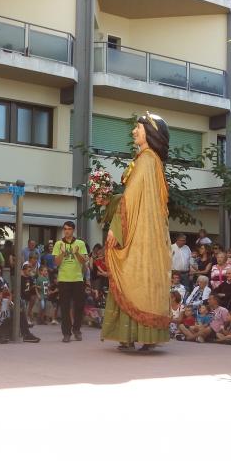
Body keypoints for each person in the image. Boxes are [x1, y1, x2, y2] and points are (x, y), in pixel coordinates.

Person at [101, 113, 172, 352]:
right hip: (146, 234)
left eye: (138, 128)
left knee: (131, 278)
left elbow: (130, 200)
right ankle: (137, 336)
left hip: (139, 235)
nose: (134, 132)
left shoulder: (147, 160)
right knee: (135, 281)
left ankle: (133, 336)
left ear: (149, 132)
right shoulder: (151, 160)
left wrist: (114, 227)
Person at [53, 221, 89, 343]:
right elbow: (56, 263)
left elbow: (84, 261)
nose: (66, 231)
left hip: (77, 279)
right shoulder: (58, 244)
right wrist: (63, 252)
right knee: (64, 307)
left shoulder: (80, 243)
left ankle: (77, 329)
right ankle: (66, 333)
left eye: (69, 229)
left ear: (73, 230)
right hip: (64, 279)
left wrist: (77, 252)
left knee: (79, 306)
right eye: (65, 229)